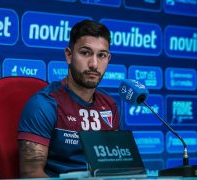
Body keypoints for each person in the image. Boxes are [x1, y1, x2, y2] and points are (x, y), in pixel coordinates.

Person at [17, 19, 123, 178]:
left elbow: (114, 168)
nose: (94, 64)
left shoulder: (109, 105)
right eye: (85, 53)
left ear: (108, 59)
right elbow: (31, 173)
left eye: (101, 55)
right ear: (69, 55)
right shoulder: (44, 104)